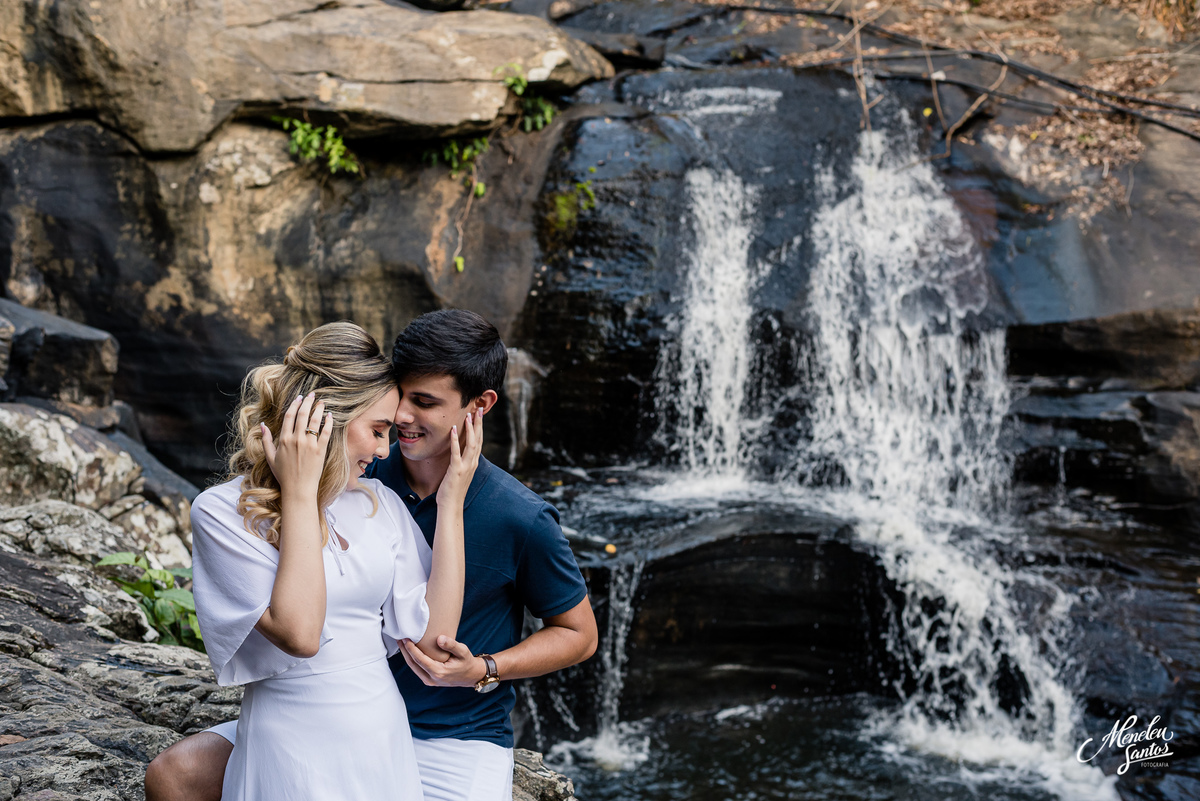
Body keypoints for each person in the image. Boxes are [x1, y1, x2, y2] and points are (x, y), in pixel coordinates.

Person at [146, 309, 597, 801]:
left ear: (480, 405)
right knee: (176, 774)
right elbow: (300, 631)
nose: (400, 422)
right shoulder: (361, 477)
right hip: (318, 713)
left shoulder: (519, 515)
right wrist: (301, 489)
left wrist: (485, 668)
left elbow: (577, 634)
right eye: (399, 400)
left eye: (424, 402)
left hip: (450, 734)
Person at [185, 321, 482, 800]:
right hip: (289, 745)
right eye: (377, 430)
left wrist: (451, 504)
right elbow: (301, 634)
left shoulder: (379, 502)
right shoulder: (221, 513)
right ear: (326, 421)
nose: (384, 450)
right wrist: (301, 494)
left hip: (381, 739)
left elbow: (434, 641)